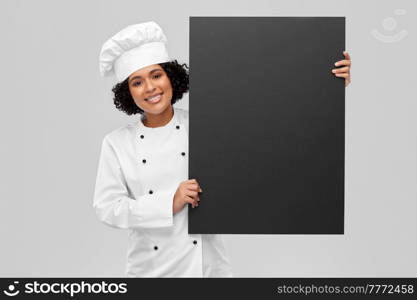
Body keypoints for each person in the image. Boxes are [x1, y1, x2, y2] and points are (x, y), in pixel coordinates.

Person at [94, 21, 351, 278]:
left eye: (156, 75)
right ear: (128, 93)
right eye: (137, 82)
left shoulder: (206, 124)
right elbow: (107, 207)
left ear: (171, 77)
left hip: (209, 267)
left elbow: (272, 125)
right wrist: (168, 202)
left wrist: (326, 84)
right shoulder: (117, 143)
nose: (150, 88)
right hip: (150, 270)